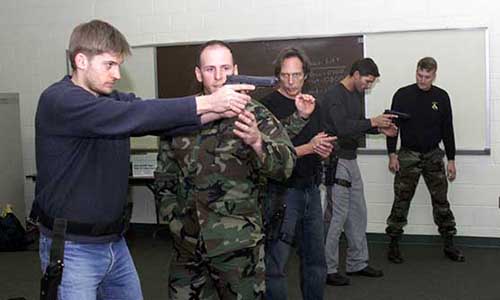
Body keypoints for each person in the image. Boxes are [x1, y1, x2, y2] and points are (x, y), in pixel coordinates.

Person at [31, 20, 254, 300]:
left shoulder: (111, 100)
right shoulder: (60, 101)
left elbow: (159, 119)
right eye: (109, 64)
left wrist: (223, 108)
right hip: (74, 249)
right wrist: (210, 103)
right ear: (80, 60)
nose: (116, 74)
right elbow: (137, 116)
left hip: (113, 243)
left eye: (118, 65)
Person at [154, 40, 296, 299]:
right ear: (198, 74)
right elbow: (164, 175)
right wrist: (173, 220)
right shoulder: (181, 115)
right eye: (210, 69)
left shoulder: (255, 114)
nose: (219, 76)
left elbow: (286, 165)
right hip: (187, 246)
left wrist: (257, 142)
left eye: (225, 68)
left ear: (236, 70)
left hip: (237, 246)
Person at [260, 47, 335, 300]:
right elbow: (268, 150)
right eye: (285, 75)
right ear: (278, 75)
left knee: (315, 260)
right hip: (281, 193)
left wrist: (324, 150)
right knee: (276, 264)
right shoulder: (265, 106)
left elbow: (323, 142)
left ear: (306, 75)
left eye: (296, 75)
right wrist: (309, 147)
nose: (291, 81)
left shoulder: (315, 104)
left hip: (311, 189)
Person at [321, 58, 398, 286]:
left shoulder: (356, 94)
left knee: (358, 213)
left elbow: (355, 127)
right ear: (355, 74)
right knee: (336, 218)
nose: (369, 86)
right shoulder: (334, 95)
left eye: (372, 82)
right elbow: (342, 127)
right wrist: (373, 121)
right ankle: (328, 269)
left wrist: (379, 129)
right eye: (367, 81)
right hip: (336, 161)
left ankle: (357, 263)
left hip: (350, 159)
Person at [385, 57, 465, 264]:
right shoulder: (402, 95)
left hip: (433, 154)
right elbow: (392, 128)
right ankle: (393, 244)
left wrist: (452, 159)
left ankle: (449, 243)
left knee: (441, 201)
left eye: (427, 77)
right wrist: (392, 154)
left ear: (434, 75)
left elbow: (448, 130)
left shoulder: (442, 96)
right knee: (401, 200)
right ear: (416, 72)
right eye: (419, 75)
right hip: (408, 154)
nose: (422, 80)